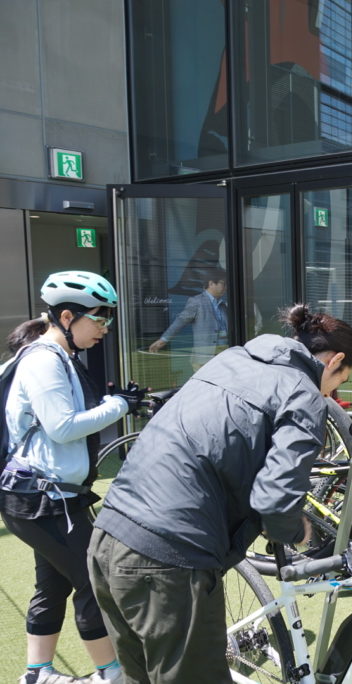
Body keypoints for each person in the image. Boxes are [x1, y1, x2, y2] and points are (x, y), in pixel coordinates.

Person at [88, 304, 352, 683]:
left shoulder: (232, 358)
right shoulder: (304, 393)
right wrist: (301, 533)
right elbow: (276, 501)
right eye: (342, 380)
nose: (336, 392)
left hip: (108, 535)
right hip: (169, 558)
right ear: (337, 361)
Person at [1, 271, 145, 684]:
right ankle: (111, 674)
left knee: (53, 586)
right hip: (42, 501)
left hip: (48, 498)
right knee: (91, 582)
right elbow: (63, 427)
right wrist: (119, 405)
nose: (105, 329)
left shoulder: (58, 357)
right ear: (67, 316)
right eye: (100, 320)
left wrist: (116, 403)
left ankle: (37, 673)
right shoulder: (45, 360)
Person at [147, 266, 229, 370]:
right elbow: (180, 322)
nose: (226, 287)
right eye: (223, 283)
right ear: (211, 283)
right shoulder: (197, 302)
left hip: (224, 356)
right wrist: (163, 340)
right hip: (205, 358)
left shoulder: (223, 305)